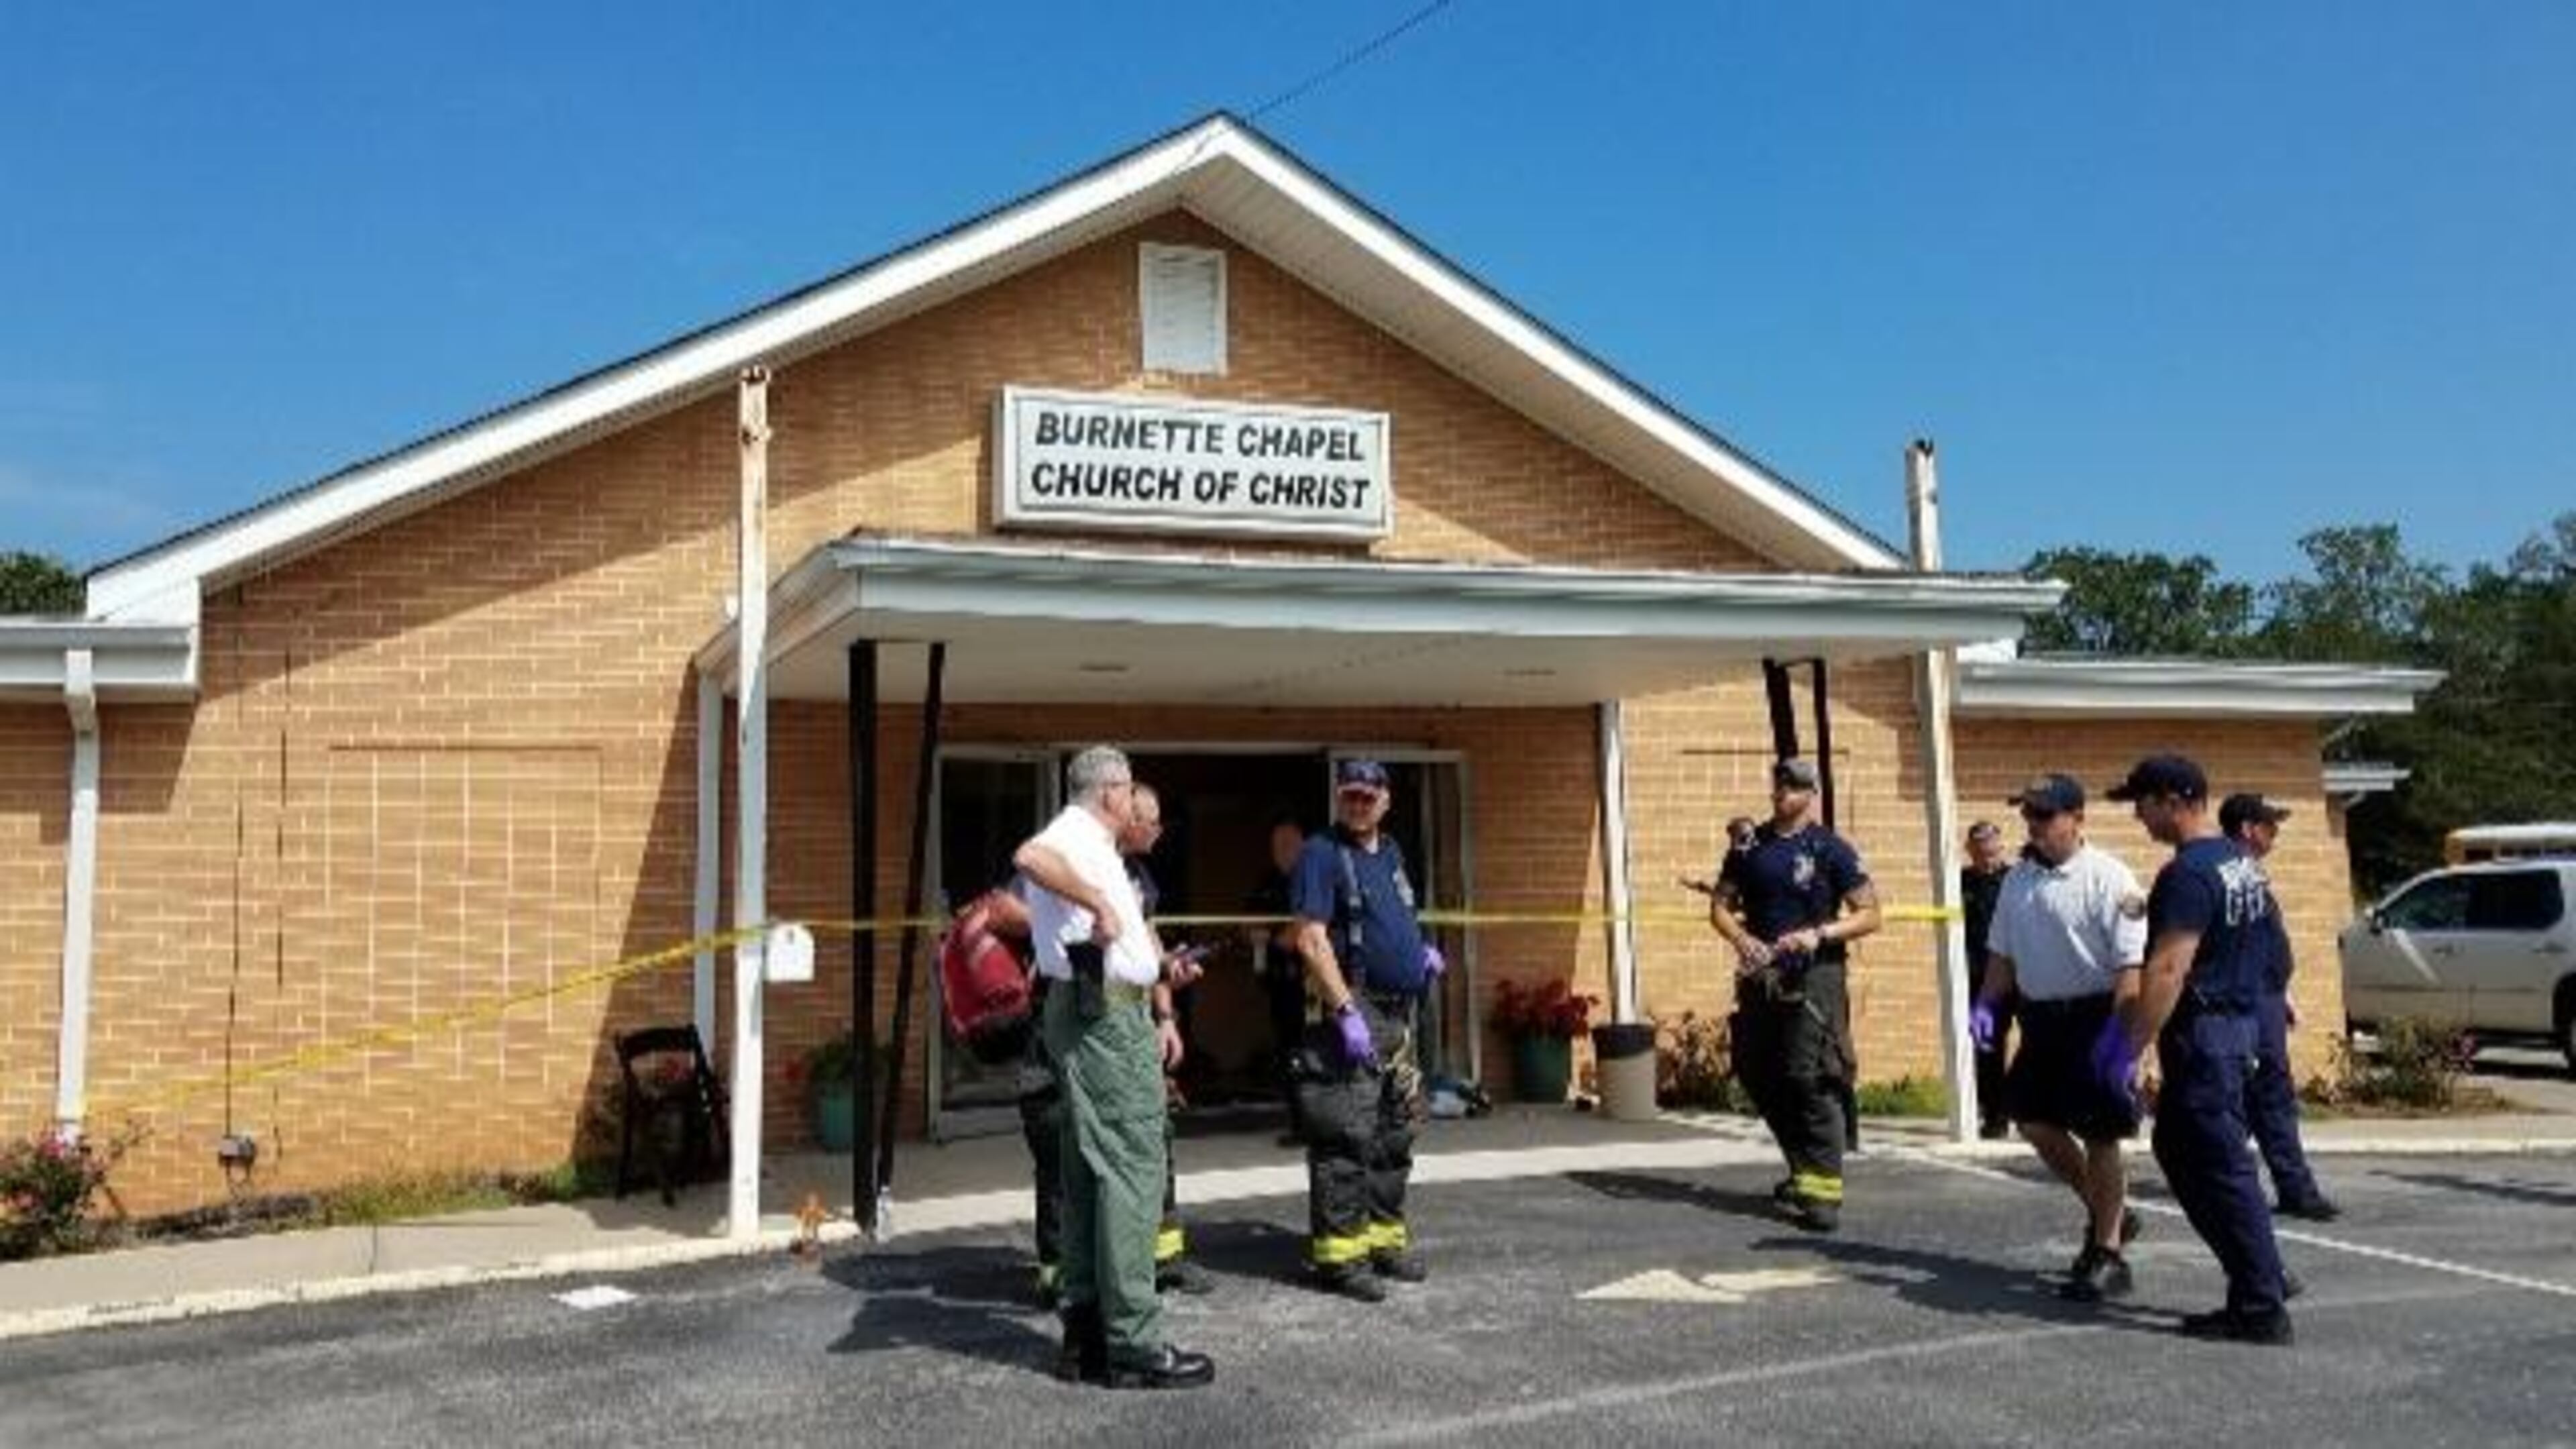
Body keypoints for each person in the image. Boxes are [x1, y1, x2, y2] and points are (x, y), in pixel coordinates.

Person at [1011, 745, 1214, 1389]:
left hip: (1101, 1007)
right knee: (1132, 1169)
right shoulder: (1072, 834)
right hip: (1104, 1021)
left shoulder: (1095, 843)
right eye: (1129, 792)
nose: (1136, 803)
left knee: (1090, 1172)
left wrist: (1164, 972)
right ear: (1108, 793)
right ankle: (1135, 1342)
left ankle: (1088, 1334)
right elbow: (1027, 858)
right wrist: (1098, 902)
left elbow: (1124, 949)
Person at [2102, 754, 2295, 1344]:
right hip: (2238, 1029)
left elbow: (2168, 968)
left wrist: (2128, 1049)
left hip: (2207, 1036)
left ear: (2171, 799)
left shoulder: (2187, 873)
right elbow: (2265, 950)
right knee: (2184, 1150)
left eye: (2142, 801)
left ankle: (2262, 1301)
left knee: (2221, 1167)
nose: (2137, 814)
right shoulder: (2242, 864)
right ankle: (2261, 1274)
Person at [1970, 774, 2149, 1301]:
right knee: (2032, 1121)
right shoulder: (2017, 881)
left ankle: (2109, 1254)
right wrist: (1984, 1006)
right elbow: (2002, 956)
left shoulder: (2110, 878)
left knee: (2099, 1134)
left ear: (2077, 820)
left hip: (2096, 1017)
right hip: (2041, 1020)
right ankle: (2107, 1209)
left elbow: (2129, 969)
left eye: (2044, 816)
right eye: (2028, 815)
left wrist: (2125, 1045)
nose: (2034, 825)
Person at [1707, 757, 1882, 1232]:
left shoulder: (1830, 849)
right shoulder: (1750, 846)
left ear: (1813, 794)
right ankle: (1804, 1169)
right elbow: (1720, 907)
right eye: (1780, 783)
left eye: (1796, 786)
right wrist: (1741, 938)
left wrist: (1818, 935)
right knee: (1757, 1071)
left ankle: (1823, 1190)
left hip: (1814, 976)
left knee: (1807, 1075)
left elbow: (1869, 914)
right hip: (1760, 975)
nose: (1784, 791)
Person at [1290, 757, 1440, 1301]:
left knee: (1393, 1132)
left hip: (1399, 1014)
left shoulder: (1392, 852)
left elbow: (1397, 916)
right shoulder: (1321, 853)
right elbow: (1310, 937)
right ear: (1339, 799)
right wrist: (1344, 1010)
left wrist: (1419, 952)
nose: (1358, 804)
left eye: (1368, 797)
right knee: (1345, 1135)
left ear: (1386, 800)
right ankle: (1340, 1258)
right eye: (1350, 796)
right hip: (1355, 1013)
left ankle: (1383, 1244)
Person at [2220, 792, 2341, 1222]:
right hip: (2243, 1004)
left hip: (2265, 998)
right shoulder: (2231, 875)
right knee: (2254, 1098)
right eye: (2270, 826)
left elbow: (2263, 943)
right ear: (2249, 829)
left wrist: (2283, 993)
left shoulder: (2253, 875)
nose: (2275, 834)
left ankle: (2293, 1188)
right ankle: (2245, 1187)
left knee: (2269, 1098)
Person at [1117, 782, 1216, 1295]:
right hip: (1106, 1032)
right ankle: (1120, 1267)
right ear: (1125, 819)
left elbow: (1150, 939)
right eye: (1149, 821)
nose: (1158, 831)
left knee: (1159, 1141)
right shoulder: (1093, 870)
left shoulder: (1138, 875)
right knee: (1124, 1150)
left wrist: (1166, 1016)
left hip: (1141, 1026)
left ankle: (1165, 1258)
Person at [1248, 814, 1310, 1143]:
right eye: (1276, 846)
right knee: (1288, 1053)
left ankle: (1314, 1124)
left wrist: (1272, 937)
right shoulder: (1268, 881)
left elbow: (1299, 931)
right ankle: (1299, 1123)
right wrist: (1255, 934)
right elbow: (1248, 923)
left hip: (1310, 985)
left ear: (1302, 846)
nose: (1281, 851)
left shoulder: (1310, 879)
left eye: (1287, 845)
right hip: (1279, 984)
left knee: (1309, 1053)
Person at [1960, 819, 2016, 1140]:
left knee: (2041, 1041)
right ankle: (1995, 1117)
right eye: (1980, 849)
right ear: (1971, 851)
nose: (1987, 854)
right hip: (1981, 978)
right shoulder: (1960, 882)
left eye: (1992, 848)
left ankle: (2044, 1107)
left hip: (2021, 975)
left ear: (2000, 847)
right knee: (1987, 1047)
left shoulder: (2015, 880)